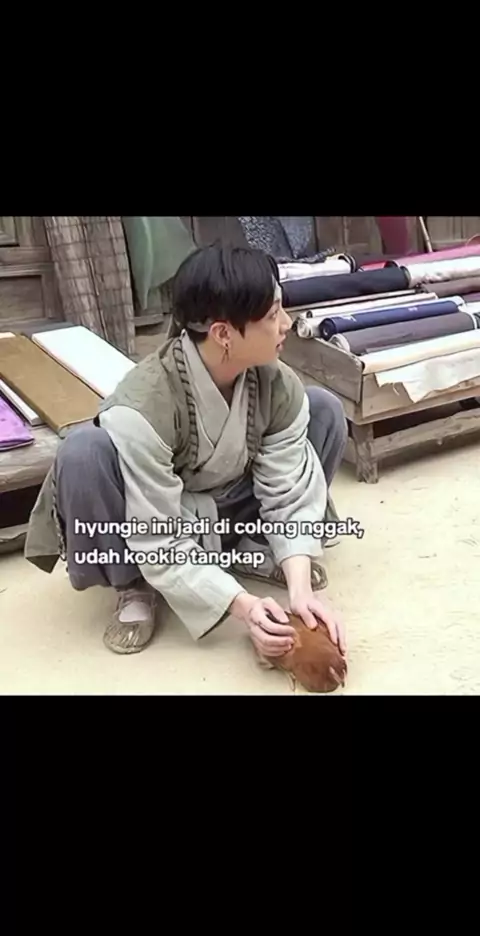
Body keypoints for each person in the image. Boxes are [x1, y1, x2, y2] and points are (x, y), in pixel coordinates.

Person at [25, 243, 348, 659]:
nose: (287, 323)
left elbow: (288, 492)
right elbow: (157, 534)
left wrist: (301, 592)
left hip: (229, 504)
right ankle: (134, 585)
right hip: (159, 518)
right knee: (84, 451)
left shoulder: (276, 383)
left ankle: (251, 548)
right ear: (223, 334)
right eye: (272, 315)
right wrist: (243, 607)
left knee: (322, 409)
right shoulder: (145, 404)